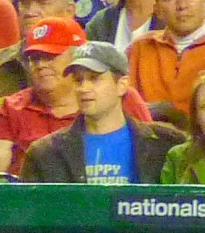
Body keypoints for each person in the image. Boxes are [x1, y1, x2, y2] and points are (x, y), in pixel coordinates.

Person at [19, 40, 185, 181]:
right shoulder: (44, 153)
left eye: (94, 78)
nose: (84, 88)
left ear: (121, 85)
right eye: (78, 80)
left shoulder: (167, 144)